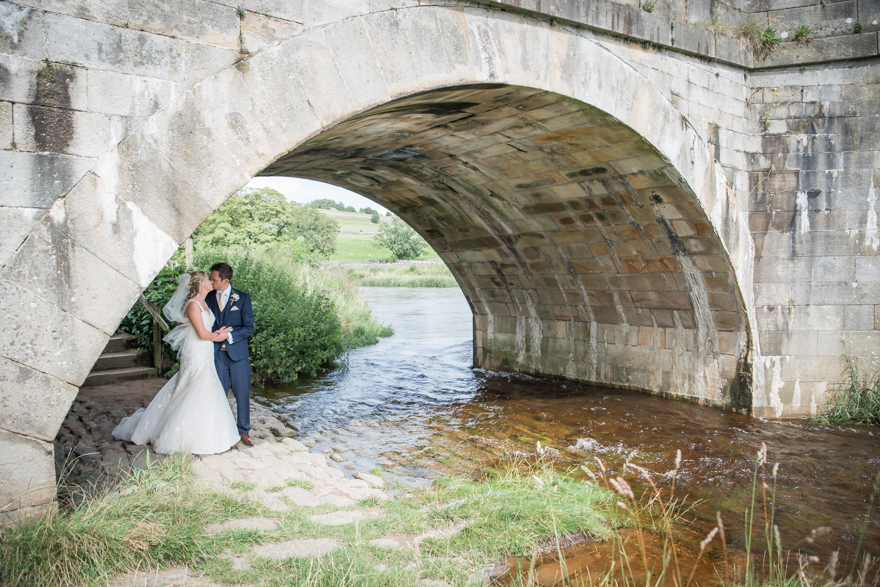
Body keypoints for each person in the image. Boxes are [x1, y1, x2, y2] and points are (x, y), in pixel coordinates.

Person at [112, 271, 240, 455]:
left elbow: (205, 330)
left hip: (205, 350)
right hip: (196, 352)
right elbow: (202, 334)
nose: (211, 281)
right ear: (200, 283)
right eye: (207, 278)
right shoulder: (193, 305)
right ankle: (178, 435)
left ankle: (206, 433)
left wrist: (218, 331)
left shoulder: (204, 303)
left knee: (204, 386)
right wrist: (221, 336)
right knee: (195, 384)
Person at [205, 262, 255, 446]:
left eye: (214, 279)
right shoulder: (208, 297)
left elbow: (249, 327)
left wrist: (229, 335)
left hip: (238, 355)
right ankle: (220, 430)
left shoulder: (242, 298)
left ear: (225, 281)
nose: (211, 281)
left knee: (242, 393)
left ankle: (243, 431)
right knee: (218, 393)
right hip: (217, 354)